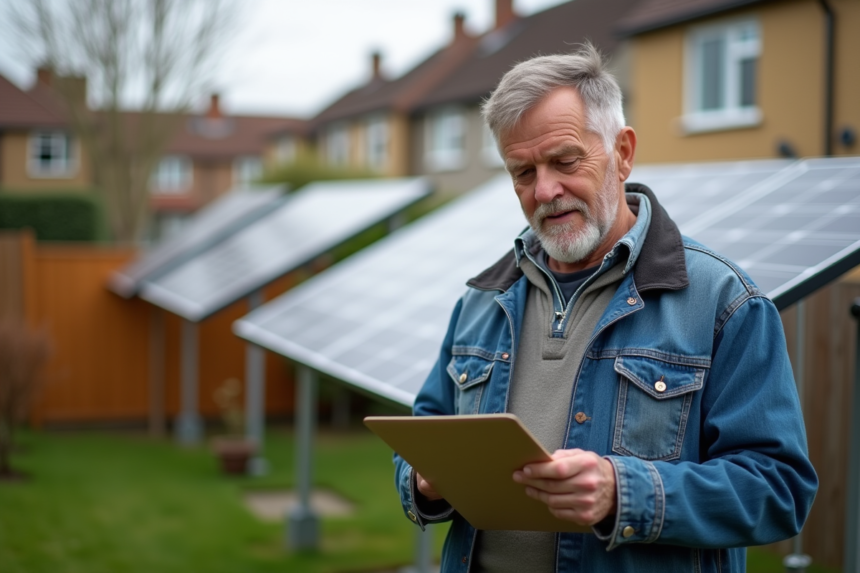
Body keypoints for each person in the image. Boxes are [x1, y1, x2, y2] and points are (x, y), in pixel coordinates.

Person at [393, 44, 818, 573]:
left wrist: (624, 492)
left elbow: (778, 490)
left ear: (622, 152)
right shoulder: (482, 298)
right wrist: (423, 482)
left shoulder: (725, 303)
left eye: (565, 161)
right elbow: (425, 429)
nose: (545, 190)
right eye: (522, 173)